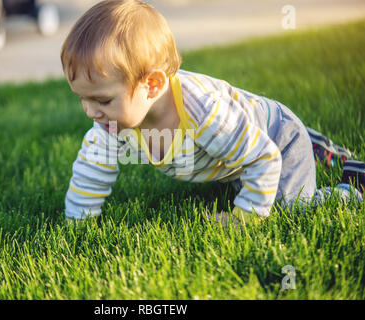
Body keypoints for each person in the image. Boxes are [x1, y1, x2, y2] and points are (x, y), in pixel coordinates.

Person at [60, 0, 364, 223]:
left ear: (152, 85)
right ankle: (312, 146)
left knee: (291, 208)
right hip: (237, 151)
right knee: (240, 172)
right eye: (82, 99)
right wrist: (78, 222)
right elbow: (92, 167)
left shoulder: (202, 113)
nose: (90, 112)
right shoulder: (114, 121)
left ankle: (352, 184)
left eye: (101, 100)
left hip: (274, 139)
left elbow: (263, 158)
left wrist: (243, 219)